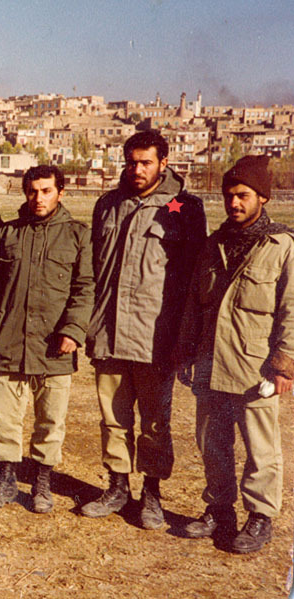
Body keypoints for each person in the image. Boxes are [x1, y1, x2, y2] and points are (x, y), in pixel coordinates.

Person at [82, 130, 207, 528]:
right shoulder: (108, 204)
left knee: (155, 422)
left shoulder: (182, 207)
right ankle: (118, 486)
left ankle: (152, 492)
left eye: (146, 162)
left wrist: (183, 338)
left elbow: (192, 281)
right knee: (113, 417)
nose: (137, 169)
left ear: (164, 163)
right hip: (109, 332)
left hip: (155, 336)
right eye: (131, 162)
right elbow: (94, 268)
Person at [175, 155, 293, 553]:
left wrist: (284, 366)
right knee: (212, 443)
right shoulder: (214, 244)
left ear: (263, 197)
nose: (234, 203)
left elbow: (292, 310)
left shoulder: (282, 246)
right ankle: (219, 509)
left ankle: (260, 517)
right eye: (229, 196)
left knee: (261, 447)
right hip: (211, 361)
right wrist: (186, 352)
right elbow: (195, 304)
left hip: (254, 366)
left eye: (243, 195)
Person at [0, 165, 93, 512]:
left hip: (55, 346)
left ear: (61, 192)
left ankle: (42, 481)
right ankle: (5, 479)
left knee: (50, 419)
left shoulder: (77, 235)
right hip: (9, 343)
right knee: (3, 418)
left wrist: (73, 330)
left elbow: (86, 288)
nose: (38, 198)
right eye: (32, 191)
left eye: (46, 191)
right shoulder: (7, 233)